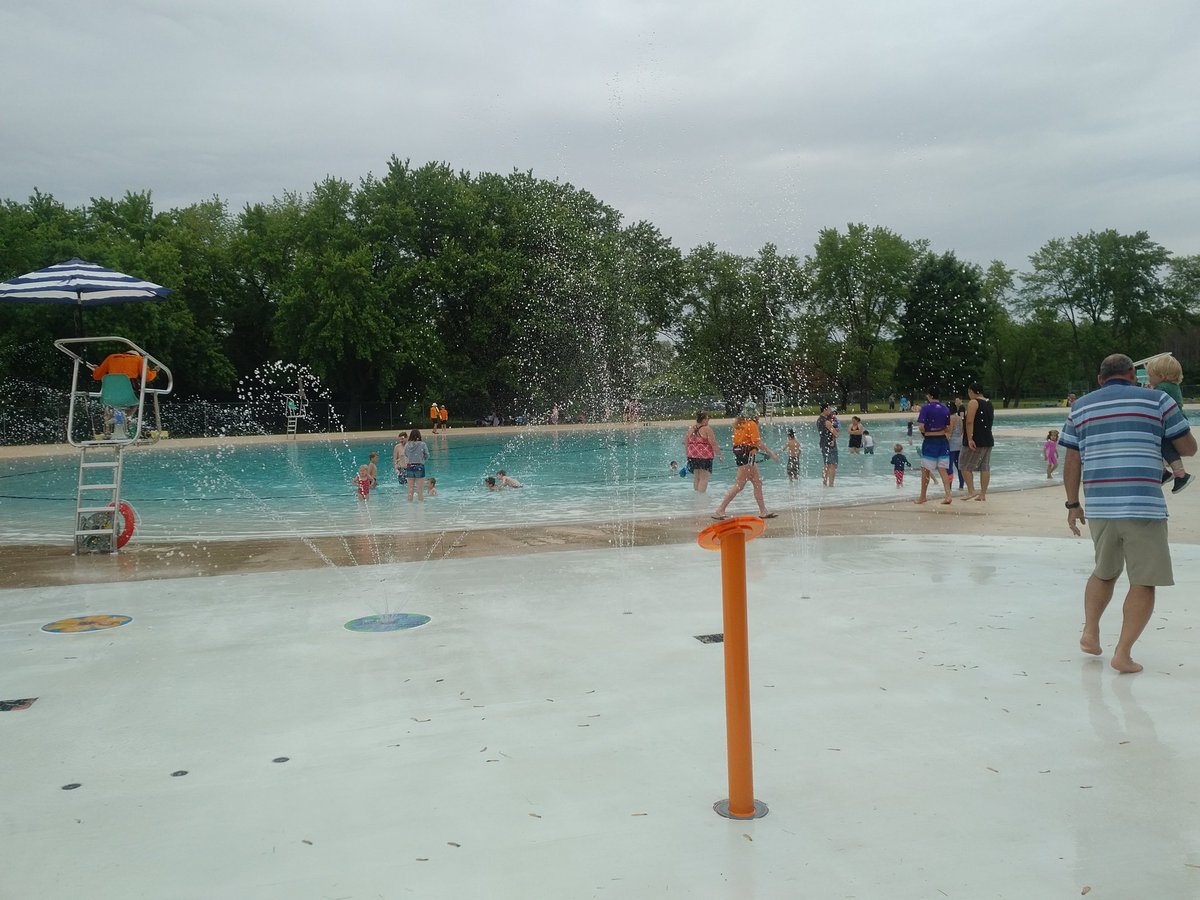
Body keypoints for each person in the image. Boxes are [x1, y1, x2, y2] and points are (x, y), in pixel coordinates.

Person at [1060, 353, 1195, 674]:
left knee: (1103, 572)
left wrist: (1071, 504)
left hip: (1100, 507)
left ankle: (1090, 632)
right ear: (1132, 377)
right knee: (1143, 581)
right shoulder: (1158, 400)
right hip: (1143, 505)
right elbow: (1188, 447)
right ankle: (1123, 653)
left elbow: (1071, 461)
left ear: (1100, 379)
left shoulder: (1080, 407)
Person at [712, 403, 779, 519]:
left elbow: (739, 442)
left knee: (756, 482)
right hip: (748, 455)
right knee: (740, 484)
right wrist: (771, 454)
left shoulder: (739, 424)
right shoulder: (751, 424)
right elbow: (757, 442)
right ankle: (720, 510)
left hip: (741, 454)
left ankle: (763, 510)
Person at [1146, 355, 1192, 493]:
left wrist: (1148, 392)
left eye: (1150, 375)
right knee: (1161, 445)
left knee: (1164, 445)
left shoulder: (1163, 388)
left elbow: (1153, 401)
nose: (1148, 378)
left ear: (1160, 376)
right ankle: (1165, 473)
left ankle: (1180, 474)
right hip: (1177, 421)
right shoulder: (1171, 386)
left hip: (1172, 422)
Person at [915, 388, 952, 505]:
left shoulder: (925, 408)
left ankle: (922, 496)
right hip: (943, 441)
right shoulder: (945, 408)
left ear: (929, 396)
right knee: (943, 469)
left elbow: (921, 426)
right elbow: (947, 428)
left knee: (925, 469)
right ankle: (948, 495)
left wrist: (928, 431)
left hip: (930, 441)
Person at [959, 383, 995, 500]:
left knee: (964, 465)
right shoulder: (989, 403)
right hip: (988, 438)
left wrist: (970, 438)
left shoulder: (974, 402)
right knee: (984, 467)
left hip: (976, 439)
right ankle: (982, 494)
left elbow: (970, 422)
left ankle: (971, 491)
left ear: (971, 391)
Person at [684, 411, 723, 493]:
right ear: (704, 420)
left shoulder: (691, 429)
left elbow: (686, 443)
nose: (708, 421)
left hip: (692, 456)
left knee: (697, 477)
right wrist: (719, 454)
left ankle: (696, 496)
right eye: (708, 419)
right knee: (704, 478)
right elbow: (713, 443)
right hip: (704, 456)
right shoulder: (707, 429)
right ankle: (701, 499)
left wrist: (687, 455)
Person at [404, 428, 429, 502]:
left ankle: (409, 508)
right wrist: (422, 460)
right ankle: (421, 509)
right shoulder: (422, 444)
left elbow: (405, 454)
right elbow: (427, 455)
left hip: (409, 466)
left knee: (410, 491)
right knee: (420, 491)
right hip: (419, 466)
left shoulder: (407, 445)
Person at [817, 403, 839, 486]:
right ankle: (831, 484)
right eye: (829, 409)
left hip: (823, 443)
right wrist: (836, 430)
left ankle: (824, 482)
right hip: (830, 444)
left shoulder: (819, 420)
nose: (830, 411)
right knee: (832, 465)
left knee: (826, 464)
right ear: (825, 409)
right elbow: (836, 434)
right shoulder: (827, 422)